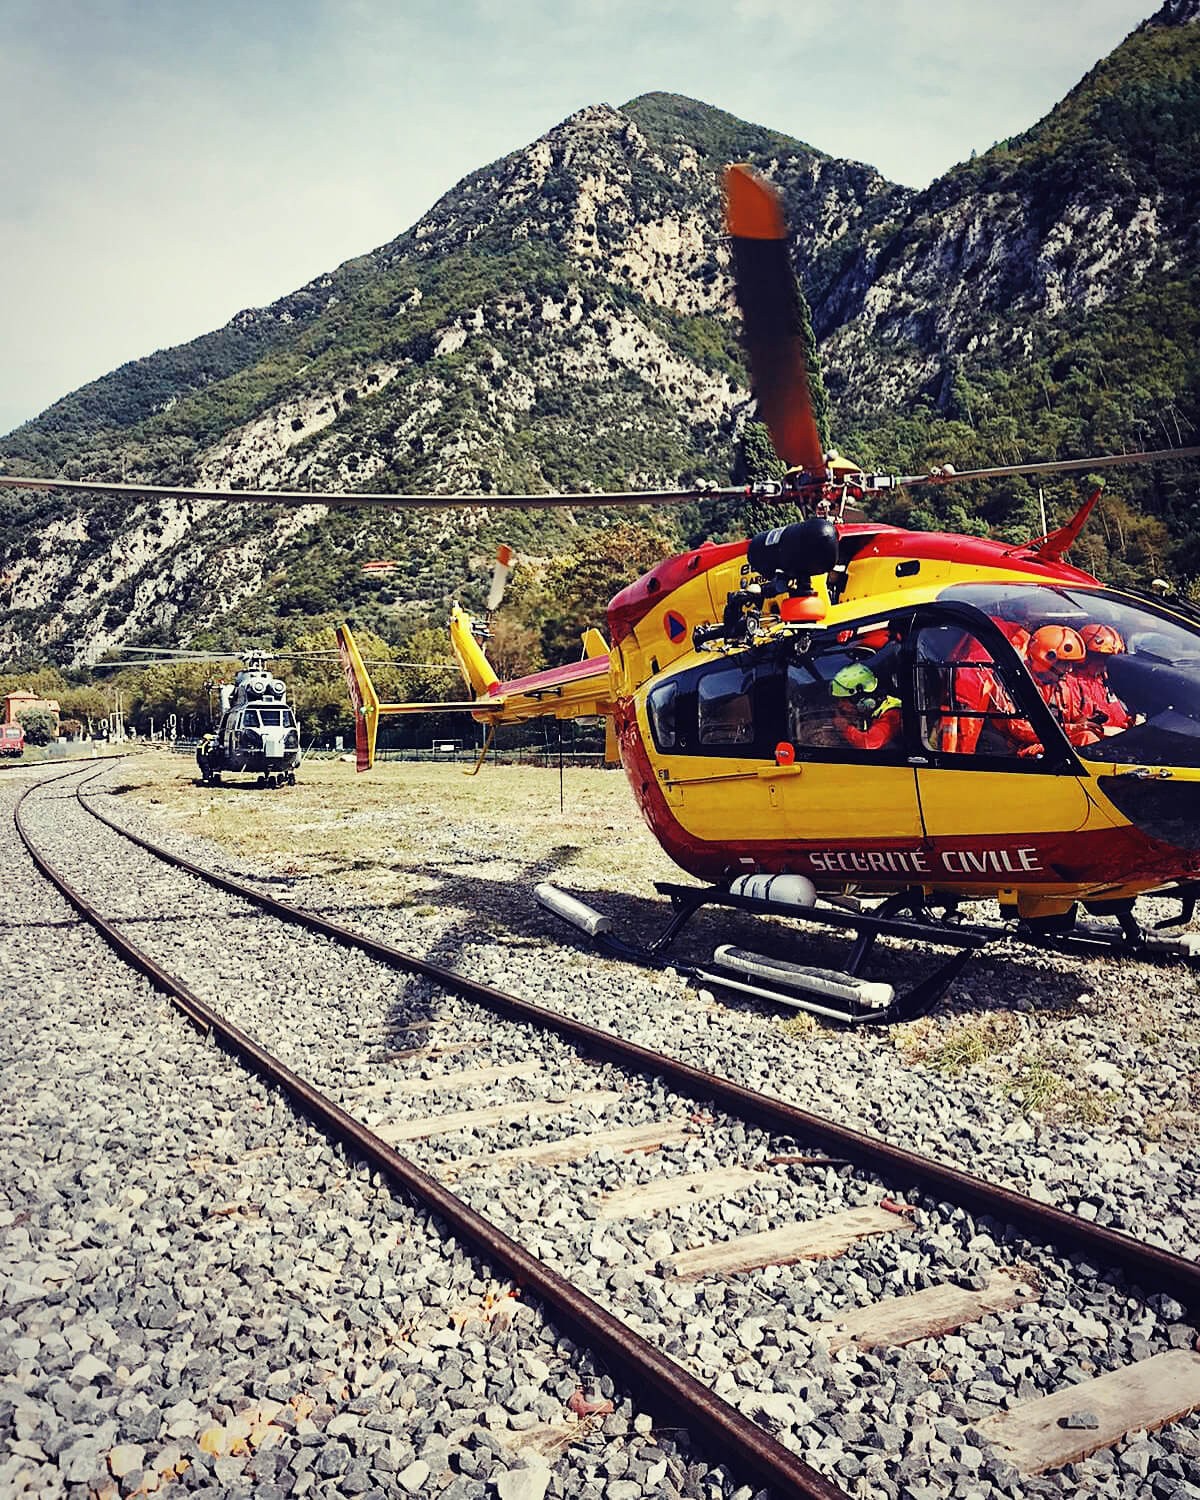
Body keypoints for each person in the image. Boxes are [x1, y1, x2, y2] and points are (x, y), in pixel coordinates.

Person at [1026, 624, 1098, 748]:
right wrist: (1072, 728)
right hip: (1023, 749)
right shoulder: (1020, 681)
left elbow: (1073, 716)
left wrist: (1086, 721)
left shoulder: (1061, 686)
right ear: (1047, 659)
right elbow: (1021, 729)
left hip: (1053, 743)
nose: (1069, 669)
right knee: (1086, 739)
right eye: (1065, 663)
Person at [1074, 622, 1135, 735]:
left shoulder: (1104, 679)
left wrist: (1133, 721)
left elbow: (1117, 713)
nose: (1104, 663)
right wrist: (1104, 730)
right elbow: (1077, 725)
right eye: (1100, 657)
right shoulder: (1070, 683)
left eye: (1108, 658)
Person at [830, 662, 902, 750]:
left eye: (844, 699)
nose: (840, 705)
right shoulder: (872, 711)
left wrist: (845, 728)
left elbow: (868, 742)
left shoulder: (893, 713)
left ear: (861, 698)